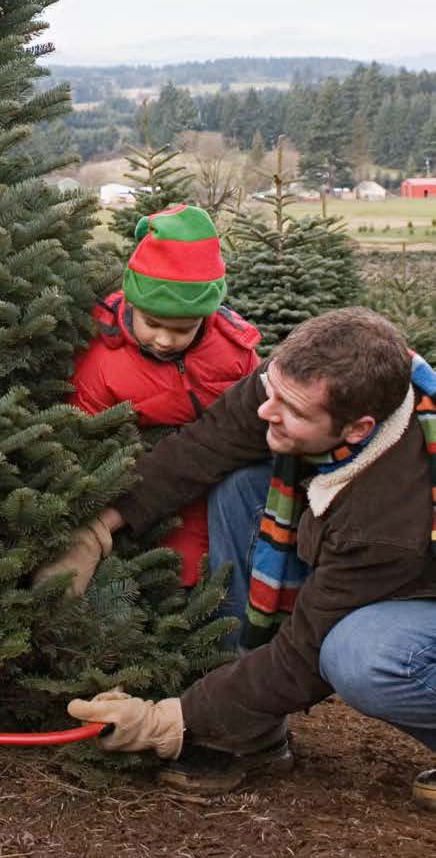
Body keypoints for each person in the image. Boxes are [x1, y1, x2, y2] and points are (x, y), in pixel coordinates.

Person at [46, 307, 436, 794]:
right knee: (241, 486)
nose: (266, 412)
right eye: (271, 390)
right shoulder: (300, 384)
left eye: (291, 411)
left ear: (358, 428)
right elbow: (206, 445)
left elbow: (303, 655)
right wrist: (97, 527)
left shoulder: (384, 518)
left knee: (360, 655)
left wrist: (171, 719)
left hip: (417, 591)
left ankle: (226, 714)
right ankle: (248, 729)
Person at [36, 204, 260, 593]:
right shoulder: (103, 361)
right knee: (179, 573)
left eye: (181, 329)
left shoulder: (233, 350)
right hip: (142, 483)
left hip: (218, 481)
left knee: (227, 563)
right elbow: (80, 430)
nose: (164, 340)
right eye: (152, 323)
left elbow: (255, 408)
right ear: (132, 304)